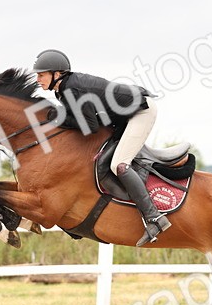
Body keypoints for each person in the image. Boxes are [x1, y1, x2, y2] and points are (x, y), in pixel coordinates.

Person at [32, 49, 171, 246]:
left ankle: (154, 218)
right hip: (121, 117)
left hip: (140, 113)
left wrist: (57, 117)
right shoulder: (64, 89)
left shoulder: (72, 89)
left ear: (57, 74)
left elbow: (89, 126)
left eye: (41, 74)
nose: (38, 79)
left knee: (119, 165)